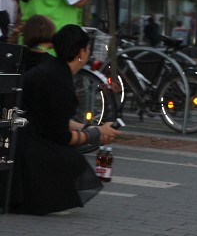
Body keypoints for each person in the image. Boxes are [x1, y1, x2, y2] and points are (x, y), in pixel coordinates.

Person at [10, 24, 120, 215]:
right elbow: (61, 135)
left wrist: (94, 128)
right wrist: (96, 133)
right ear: (81, 52)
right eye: (87, 49)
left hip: (19, 136)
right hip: (26, 144)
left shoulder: (53, 70)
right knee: (71, 159)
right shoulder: (58, 79)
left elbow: (55, 118)